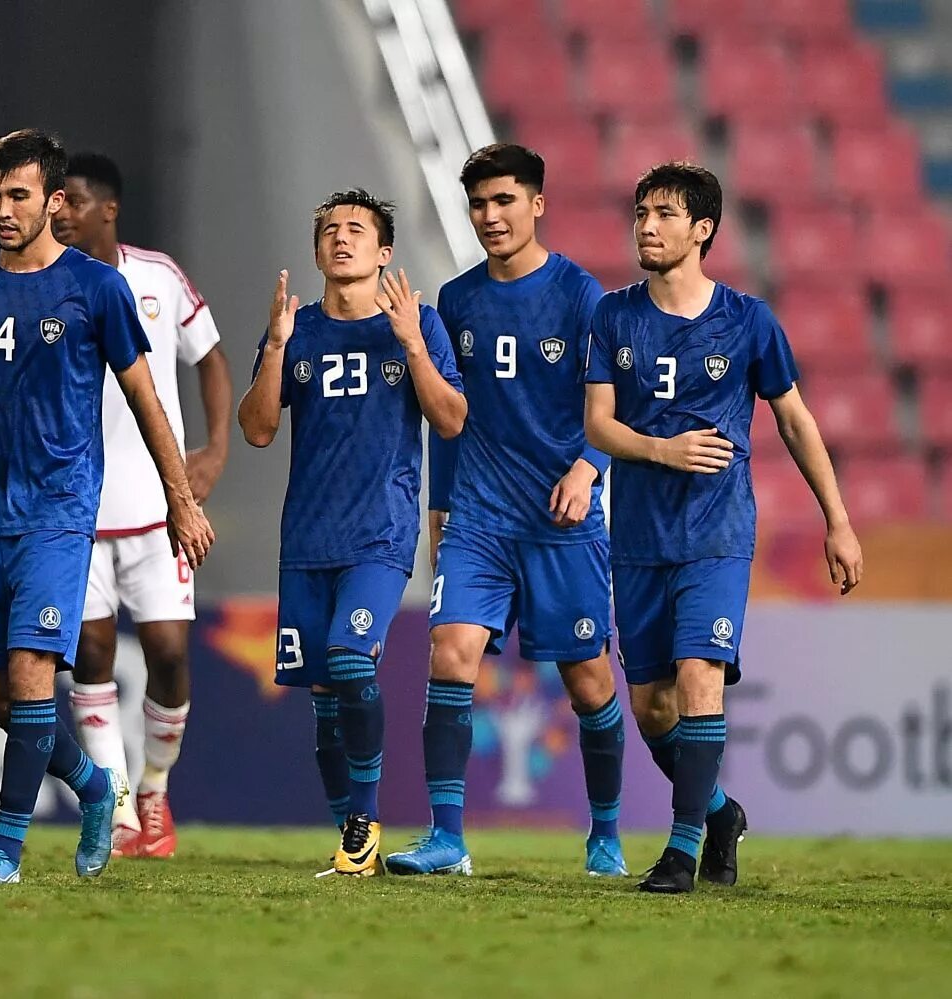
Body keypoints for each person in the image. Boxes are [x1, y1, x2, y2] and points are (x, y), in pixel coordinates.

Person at [0, 129, 214, 885]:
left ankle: (4, 849)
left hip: (60, 509)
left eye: (19, 196)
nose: (4, 210)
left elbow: (147, 399)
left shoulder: (95, 287)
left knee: (32, 670)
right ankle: (92, 785)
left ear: (52, 201)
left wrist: (181, 498)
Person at [584, 162, 863, 893]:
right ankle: (719, 810)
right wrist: (659, 449)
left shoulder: (748, 321)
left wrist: (838, 520)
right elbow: (597, 424)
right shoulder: (613, 316)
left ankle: (680, 849)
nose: (647, 225)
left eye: (665, 213)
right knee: (651, 707)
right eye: (641, 211)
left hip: (717, 535)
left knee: (700, 677)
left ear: (702, 229)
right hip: (639, 538)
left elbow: (796, 420)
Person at [386, 144, 629, 879]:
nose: (490, 217)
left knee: (589, 680)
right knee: (450, 652)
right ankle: (447, 837)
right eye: (480, 205)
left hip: (562, 520)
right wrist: (439, 506)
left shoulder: (582, 296)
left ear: (537, 204)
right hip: (481, 518)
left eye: (504, 202)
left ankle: (607, 835)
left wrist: (590, 469)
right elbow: (451, 418)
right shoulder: (456, 300)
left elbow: (620, 404)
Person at [237, 189, 465, 877]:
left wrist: (414, 348)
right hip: (307, 540)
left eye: (357, 229)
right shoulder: (295, 329)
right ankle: (351, 837)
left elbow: (451, 418)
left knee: (347, 659)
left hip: (381, 534)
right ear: (317, 251)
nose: (341, 239)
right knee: (324, 697)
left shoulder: (415, 323)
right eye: (330, 230)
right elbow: (257, 427)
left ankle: (363, 823)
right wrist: (274, 348)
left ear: (384, 251)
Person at [53, 151, 233, 857]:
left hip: (159, 504)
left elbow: (211, 358)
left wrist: (215, 450)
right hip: (76, 507)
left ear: (108, 208)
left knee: (166, 652)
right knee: (92, 651)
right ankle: (121, 806)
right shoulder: (46, 281)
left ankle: (155, 784)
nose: (58, 211)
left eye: (70, 200)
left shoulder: (157, 277)